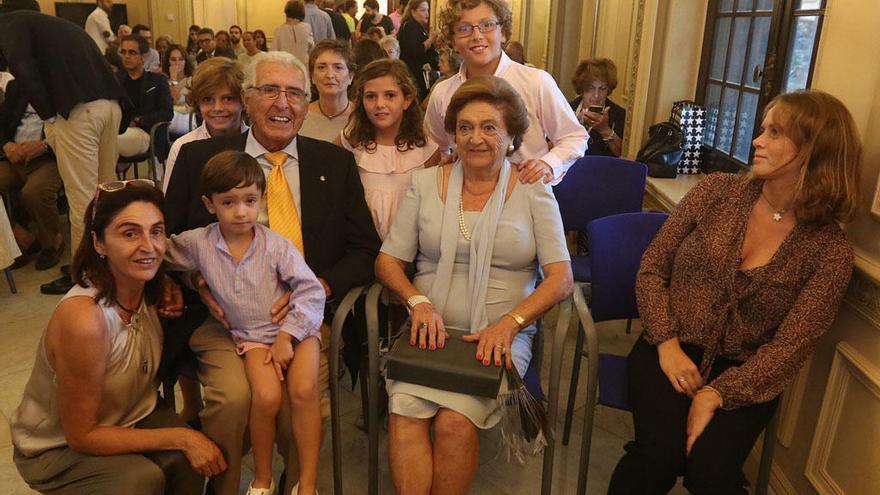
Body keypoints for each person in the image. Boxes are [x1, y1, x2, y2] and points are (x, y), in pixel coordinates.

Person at [608, 90, 862, 494]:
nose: (757, 140)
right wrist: (667, 344)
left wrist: (719, 394)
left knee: (712, 476)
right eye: (763, 129)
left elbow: (790, 348)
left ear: (815, 149)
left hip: (746, 373)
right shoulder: (716, 192)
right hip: (669, 345)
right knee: (657, 456)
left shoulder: (830, 251)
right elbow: (653, 270)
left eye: (774, 132)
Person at [163, 50, 380, 495]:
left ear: (307, 101)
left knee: (298, 404)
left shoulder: (334, 164)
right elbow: (169, 239)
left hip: (302, 320)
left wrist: (318, 286)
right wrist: (195, 281)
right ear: (246, 98)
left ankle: (295, 484)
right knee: (233, 399)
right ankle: (224, 487)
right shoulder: (199, 157)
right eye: (270, 90)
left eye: (295, 93)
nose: (283, 103)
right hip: (224, 321)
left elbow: (364, 249)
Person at [376, 75, 573, 493]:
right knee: (404, 410)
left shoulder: (534, 188)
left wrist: (510, 324)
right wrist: (416, 302)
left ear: (512, 135)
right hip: (428, 331)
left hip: (498, 336)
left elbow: (561, 279)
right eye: (465, 127)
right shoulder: (427, 183)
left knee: (453, 420)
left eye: (489, 128)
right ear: (453, 134)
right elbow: (388, 261)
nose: (476, 138)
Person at [11, 180, 224, 494]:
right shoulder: (85, 320)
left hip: (133, 414)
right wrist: (182, 436)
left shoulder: (148, 287)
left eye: (156, 231)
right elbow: (81, 435)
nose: (149, 246)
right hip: (57, 445)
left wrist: (176, 281)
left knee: (190, 459)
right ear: (98, 242)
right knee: (140, 478)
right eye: (129, 233)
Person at [165, 151, 325, 495]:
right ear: (210, 204)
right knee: (265, 399)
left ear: (262, 200)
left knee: (303, 392)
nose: (241, 211)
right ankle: (263, 480)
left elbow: (311, 291)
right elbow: (159, 252)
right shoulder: (199, 243)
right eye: (229, 202)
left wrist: (288, 335)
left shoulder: (276, 246)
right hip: (251, 338)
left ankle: (306, 484)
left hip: (297, 332)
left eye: (250, 200)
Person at [0, 4, 126, 295]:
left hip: (77, 112)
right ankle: (108, 263)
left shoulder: (9, 24)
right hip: (109, 106)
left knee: (81, 198)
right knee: (106, 192)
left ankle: (85, 276)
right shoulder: (55, 26)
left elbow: (20, 64)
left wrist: (48, 114)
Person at [426, 0, 586, 185]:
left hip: (526, 195)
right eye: (464, 28)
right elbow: (434, 145)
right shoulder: (442, 93)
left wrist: (547, 164)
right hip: (466, 196)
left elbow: (574, 136)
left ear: (502, 33)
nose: (476, 35)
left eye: (487, 25)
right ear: (453, 41)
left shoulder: (536, 82)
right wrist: (447, 159)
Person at [335, 59, 439, 239]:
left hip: (411, 246)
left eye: (390, 95)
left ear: (406, 100)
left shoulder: (427, 150)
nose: (379, 104)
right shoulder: (350, 142)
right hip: (360, 243)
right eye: (371, 96)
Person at [0, 79, 64, 270]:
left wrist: (45, 144)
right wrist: (7, 145)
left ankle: (52, 242)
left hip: (50, 158)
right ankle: (21, 238)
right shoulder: (16, 86)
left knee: (34, 191)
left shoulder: (62, 86)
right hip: (15, 157)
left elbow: (74, 130)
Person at [163, 56, 247, 192]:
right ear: (197, 102)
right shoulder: (183, 147)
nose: (218, 108)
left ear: (243, 100)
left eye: (228, 98)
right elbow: (173, 204)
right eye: (208, 99)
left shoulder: (256, 142)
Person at [116, 35, 173, 157]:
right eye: (123, 52)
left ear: (144, 56)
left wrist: (138, 120)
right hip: (119, 129)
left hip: (146, 131)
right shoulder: (115, 80)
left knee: (108, 141)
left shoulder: (157, 81)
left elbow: (167, 113)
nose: (126, 56)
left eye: (132, 52)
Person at [300, 39, 355, 142]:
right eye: (321, 67)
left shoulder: (363, 117)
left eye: (338, 67)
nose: (329, 75)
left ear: (351, 77)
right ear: (312, 77)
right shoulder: (300, 115)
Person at [570, 57, 624, 157]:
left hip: (603, 169)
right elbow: (549, 147)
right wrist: (575, 124)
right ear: (582, 88)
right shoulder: (567, 110)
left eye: (602, 89)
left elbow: (623, 154)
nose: (596, 95)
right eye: (591, 88)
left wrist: (605, 131)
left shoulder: (619, 114)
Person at [398, 0, 440, 101]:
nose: (427, 14)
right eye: (423, 10)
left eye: (427, 10)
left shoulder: (418, 26)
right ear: (413, 12)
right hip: (414, 73)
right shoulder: (411, 26)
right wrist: (430, 39)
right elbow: (415, 50)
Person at [274, 0, 316, 67]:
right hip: (303, 67)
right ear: (302, 12)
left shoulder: (279, 30)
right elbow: (312, 49)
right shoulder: (307, 27)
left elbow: (274, 53)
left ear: (286, 12)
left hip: (285, 67)